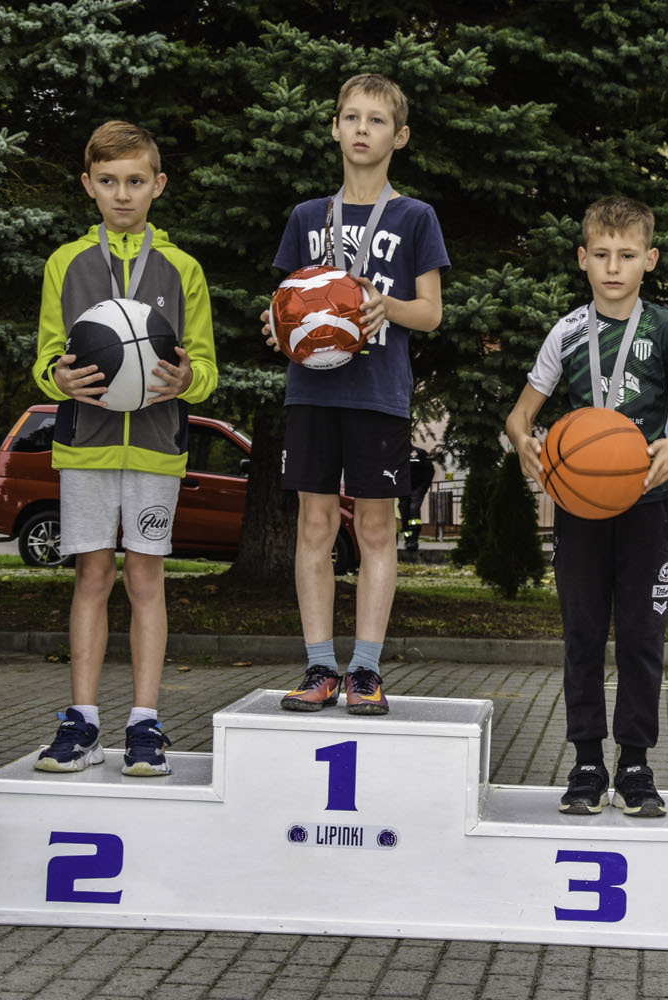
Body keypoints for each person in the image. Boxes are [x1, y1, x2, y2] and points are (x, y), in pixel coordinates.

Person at [504, 196, 668, 817]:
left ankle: (636, 765)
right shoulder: (567, 331)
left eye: (627, 255)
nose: (613, 267)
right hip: (581, 506)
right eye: (601, 254)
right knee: (583, 635)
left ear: (650, 259)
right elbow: (520, 414)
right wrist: (525, 442)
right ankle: (588, 763)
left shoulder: (666, 328)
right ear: (582, 259)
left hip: (645, 501)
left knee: (643, 637)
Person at [30, 120, 217, 775]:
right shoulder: (66, 263)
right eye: (108, 181)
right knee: (92, 575)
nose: (122, 194)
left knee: (144, 578)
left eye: (135, 181)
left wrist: (188, 379)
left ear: (157, 185)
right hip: (86, 447)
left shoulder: (183, 269)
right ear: (89, 185)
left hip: (157, 449)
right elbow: (46, 356)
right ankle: (82, 723)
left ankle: (145, 723)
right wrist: (56, 377)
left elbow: (206, 368)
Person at [261, 73, 449, 715]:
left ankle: (365, 670)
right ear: (335, 128)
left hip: (377, 394)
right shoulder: (306, 216)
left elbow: (431, 313)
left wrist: (384, 307)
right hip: (311, 393)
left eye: (377, 120)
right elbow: (287, 302)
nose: (362, 129)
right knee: (314, 523)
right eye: (352, 117)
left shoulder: (415, 217)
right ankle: (319, 665)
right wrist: (278, 326)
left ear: (400, 136)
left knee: (373, 526)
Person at [399, 445, 435, 552]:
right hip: (403, 491)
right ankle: (408, 539)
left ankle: (414, 539)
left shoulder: (419, 453)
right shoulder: (398, 453)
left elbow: (430, 470)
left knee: (414, 510)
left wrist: (423, 487)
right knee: (404, 514)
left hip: (417, 489)